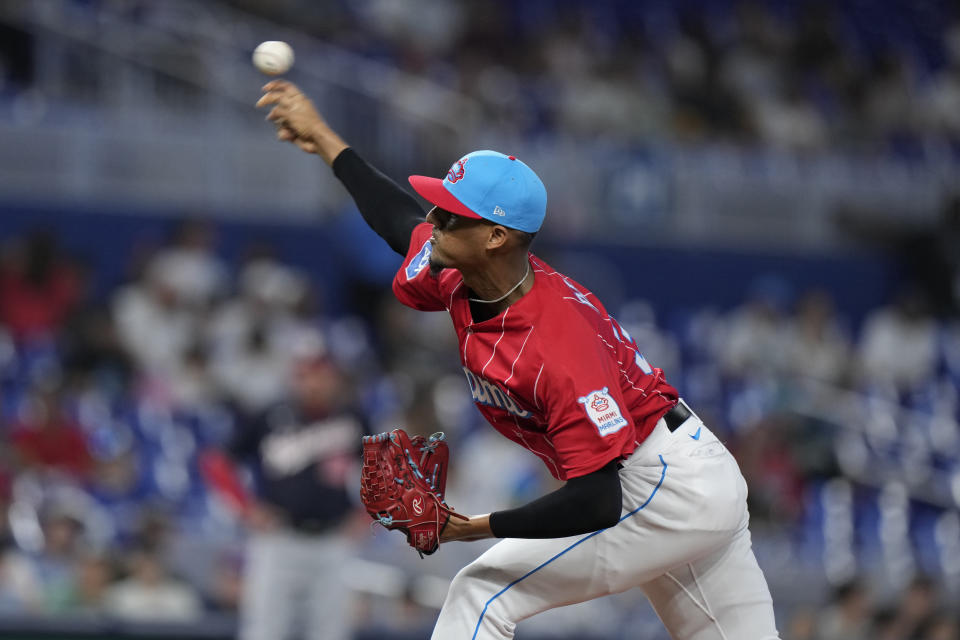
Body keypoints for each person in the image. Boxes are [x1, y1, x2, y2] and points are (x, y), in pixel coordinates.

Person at [257, 79, 780, 640]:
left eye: (450, 215)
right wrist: (324, 138)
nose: (433, 222)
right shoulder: (462, 272)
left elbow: (599, 499)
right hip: (683, 476)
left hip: (660, 484)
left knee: (480, 592)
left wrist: (472, 527)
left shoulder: (556, 343)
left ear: (496, 236)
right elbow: (397, 220)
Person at [200, 352, 366, 640]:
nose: (315, 383)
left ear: (334, 379)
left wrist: (367, 515)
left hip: (333, 541)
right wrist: (245, 508)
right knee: (265, 631)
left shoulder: (352, 417)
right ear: (296, 379)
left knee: (332, 633)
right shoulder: (271, 415)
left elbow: (389, 467)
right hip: (279, 539)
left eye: (322, 375)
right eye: (307, 375)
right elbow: (216, 462)